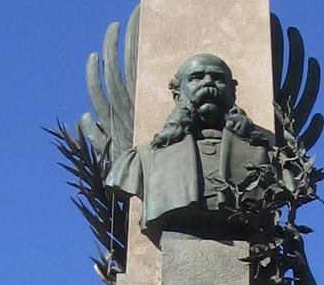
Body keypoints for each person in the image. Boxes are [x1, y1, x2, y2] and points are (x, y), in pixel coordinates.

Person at [108, 53, 274, 235]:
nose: (208, 83)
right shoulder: (144, 158)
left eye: (218, 78)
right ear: (178, 94)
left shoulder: (263, 157)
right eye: (196, 78)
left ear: (232, 91)